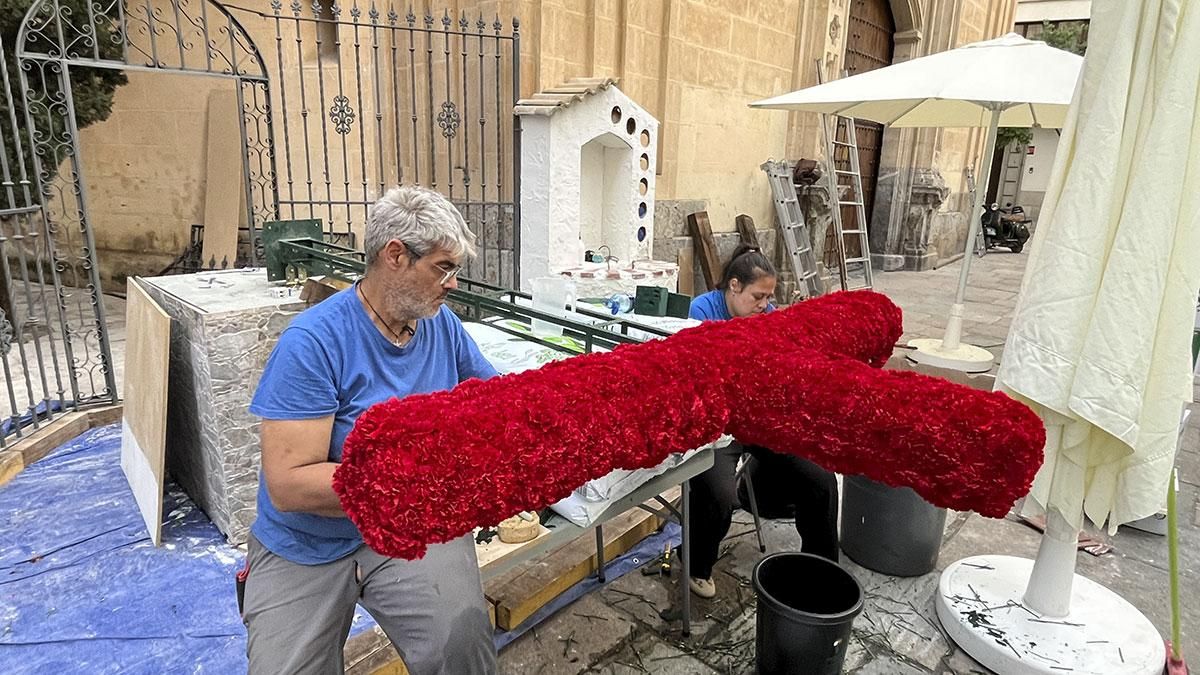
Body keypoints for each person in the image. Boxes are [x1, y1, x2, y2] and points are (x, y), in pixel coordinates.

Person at [241, 185, 500, 674]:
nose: (453, 284)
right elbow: (290, 484)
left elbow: (498, 401)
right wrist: (427, 475)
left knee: (463, 647)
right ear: (396, 255)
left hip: (406, 524)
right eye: (443, 268)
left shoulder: (439, 325)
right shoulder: (314, 342)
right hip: (309, 543)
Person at [685, 244, 840, 599]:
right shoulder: (701, 311)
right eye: (758, 296)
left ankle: (822, 569)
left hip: (758, 419)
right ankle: (695, 563)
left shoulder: (766, 317)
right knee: (717, 495)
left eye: (769, 298)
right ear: (734, 287)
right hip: (717, 426)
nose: (765, 305)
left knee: (819, 478)